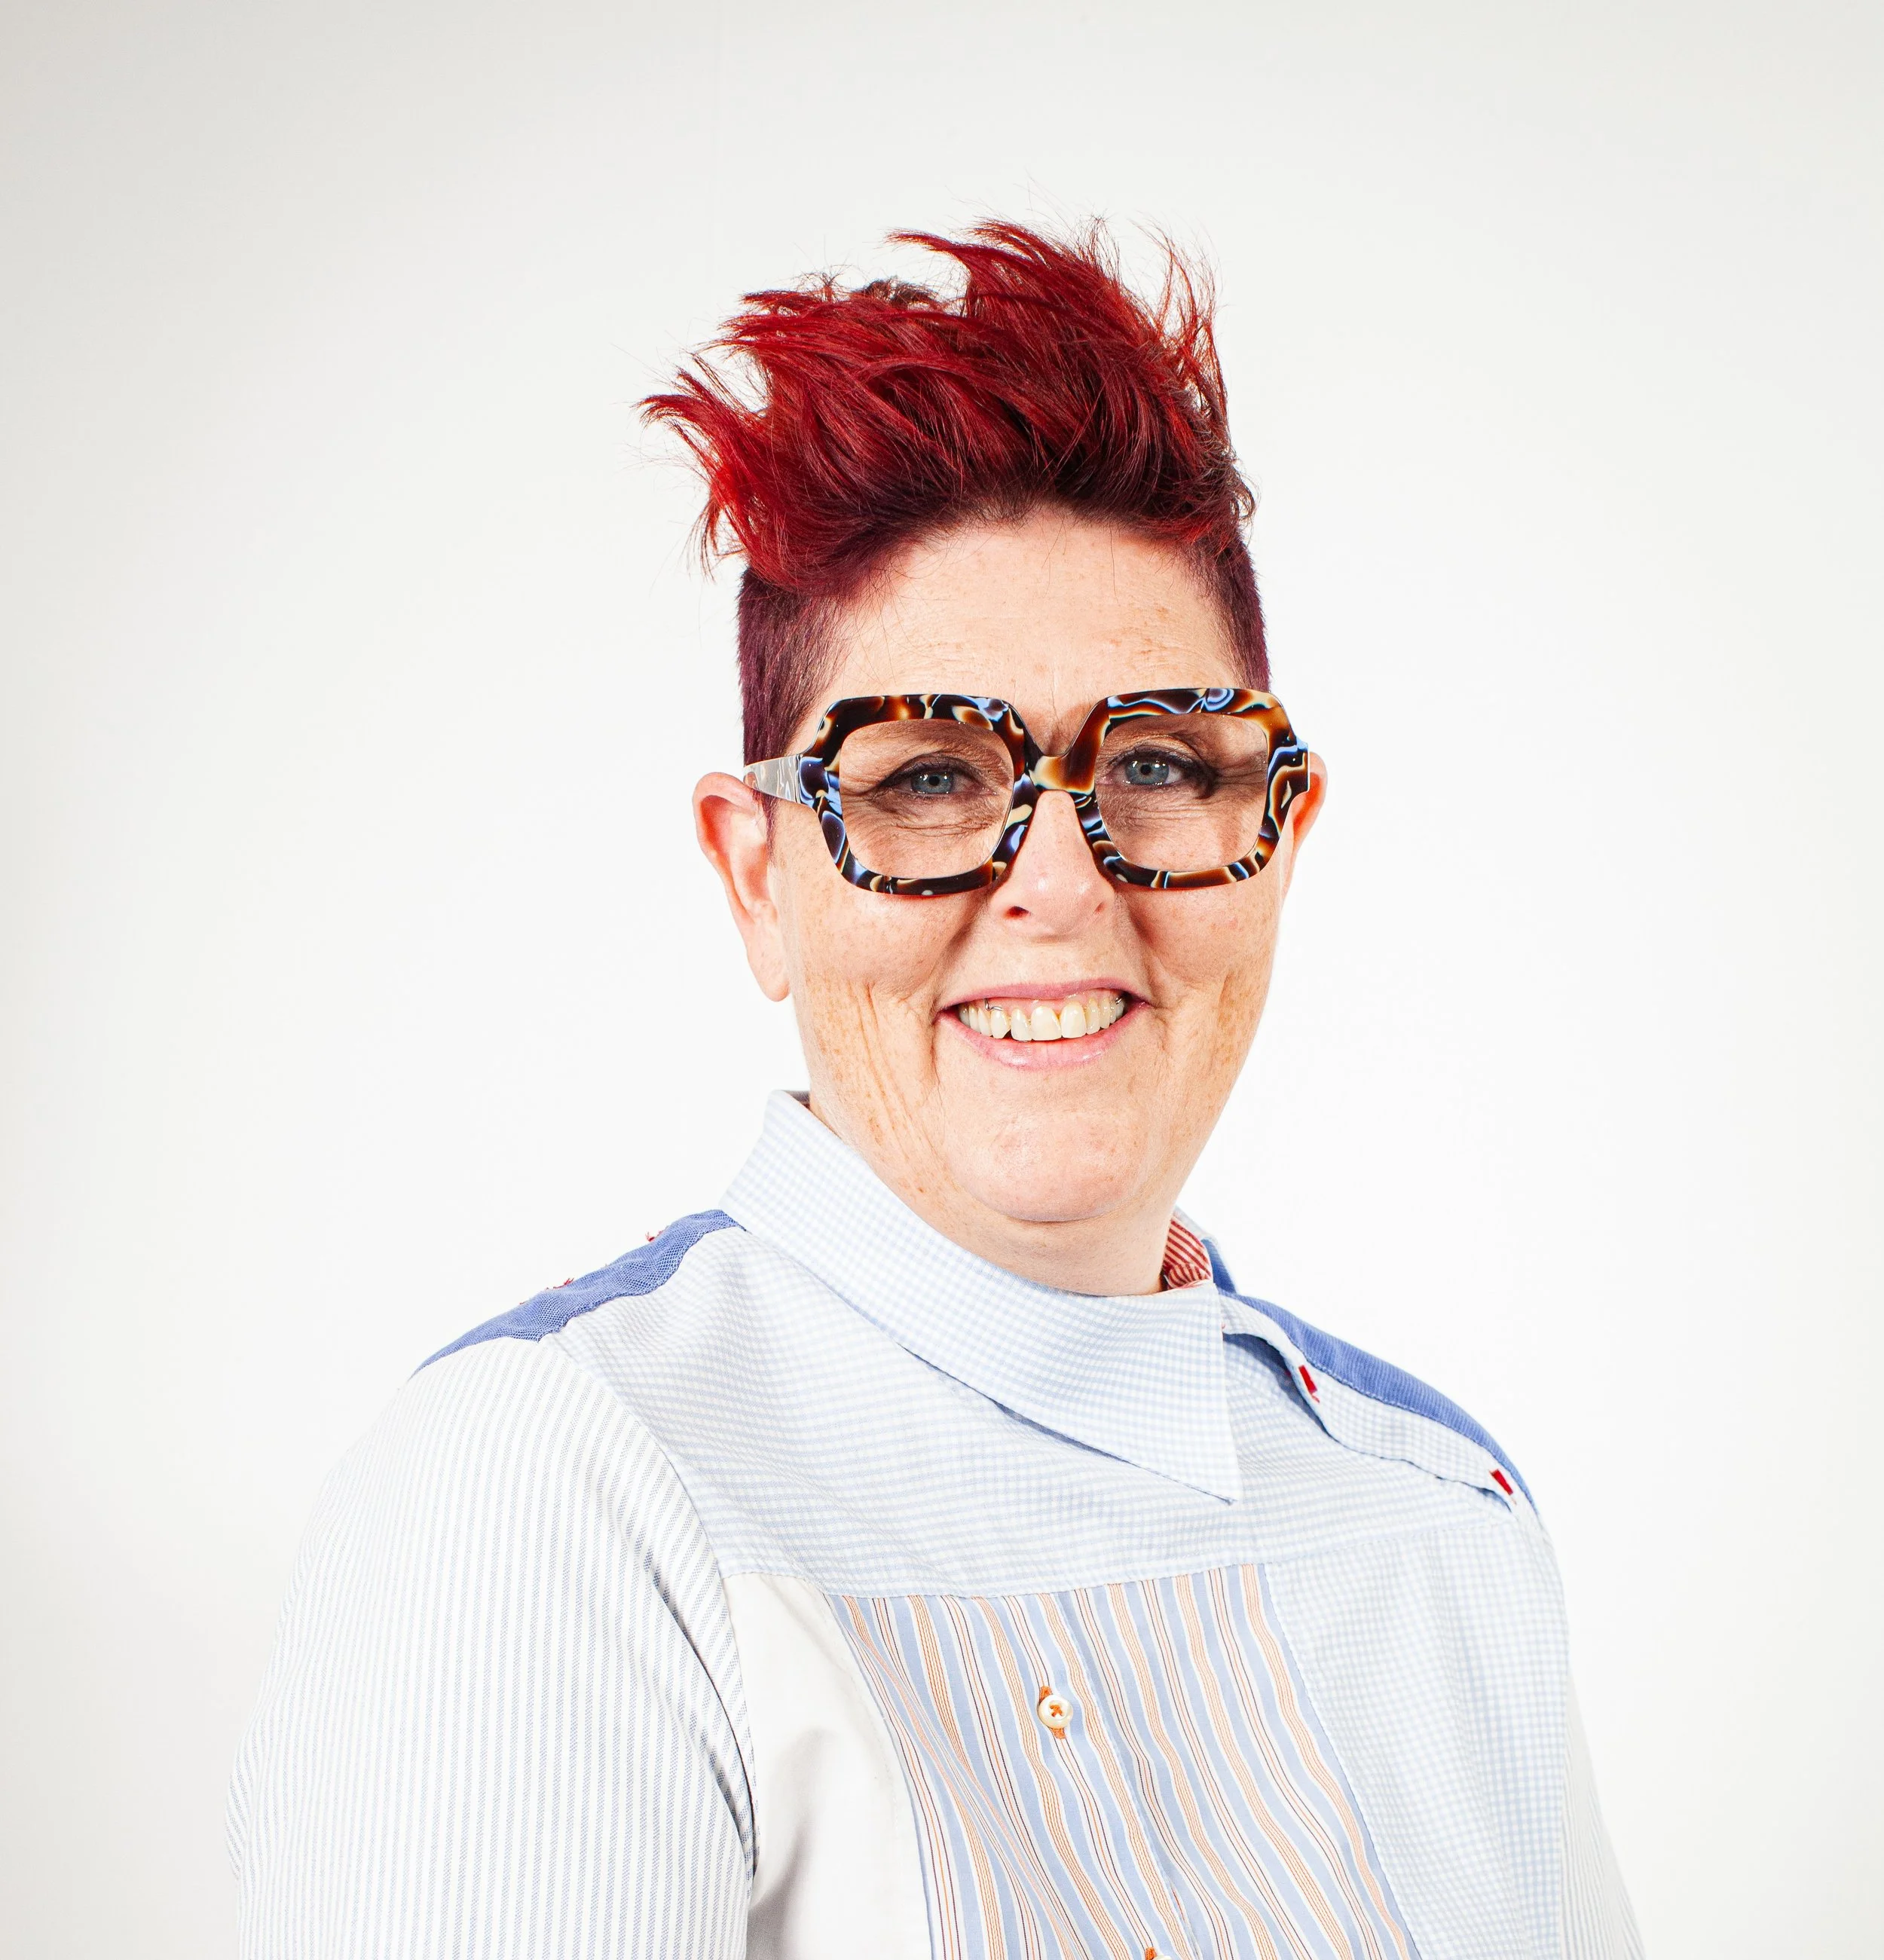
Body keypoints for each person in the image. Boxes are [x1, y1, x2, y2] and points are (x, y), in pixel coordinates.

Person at [230, 221, 1641, 1960]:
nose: (1057, 881)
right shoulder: (562, 1497)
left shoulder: (1436, 1514)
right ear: (754, 875)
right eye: (923, 777)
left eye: (1150, 762)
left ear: (1274, 834)